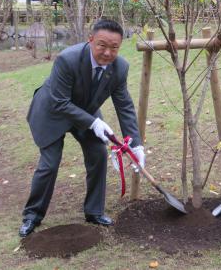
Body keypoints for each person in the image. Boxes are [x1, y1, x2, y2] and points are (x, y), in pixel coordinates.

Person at [19, 19, 145, 237]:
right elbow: (59, 103)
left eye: (114, 47)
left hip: (85, 111)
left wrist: (136, 145)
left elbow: (124, 106)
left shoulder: (120, 67)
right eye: (102, 45)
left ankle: (94, 211)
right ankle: (32, 215)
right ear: (91, 40)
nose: (107, 53)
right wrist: (94, 122)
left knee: (98, 153)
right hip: (52, 112)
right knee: (49, 164)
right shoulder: (67, 59)